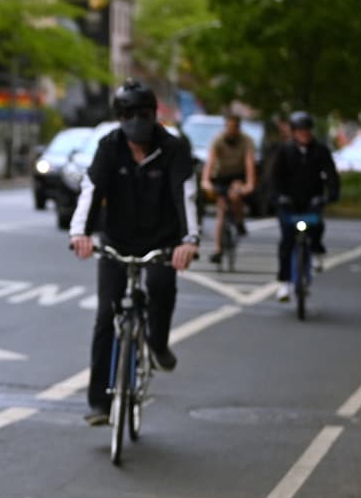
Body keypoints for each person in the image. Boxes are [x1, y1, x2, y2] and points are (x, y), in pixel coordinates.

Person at [69, 79, 199, 427]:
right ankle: (99, 403)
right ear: (119, 116)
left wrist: (189, 240)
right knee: (105, 315)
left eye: (143, 113)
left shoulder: (173, 148)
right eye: (128, 114)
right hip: (117, 240)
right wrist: (80, 232)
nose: (136, 120)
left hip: (162, 240)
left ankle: (157, 343)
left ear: (154, 115)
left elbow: (185, 193)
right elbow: (90, 189)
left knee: (161, 287)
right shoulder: (109, 146)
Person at [270, 111, 340, 301]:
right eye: (300, 131)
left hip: (311, 200)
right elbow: (274, 178)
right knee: (286, 241)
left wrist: (330, 195)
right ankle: (284, 283)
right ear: (293, 132)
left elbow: (331, 175)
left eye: (307, 130)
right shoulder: (284, 151)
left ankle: (317, 250)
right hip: (289, 203)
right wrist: (277, 197)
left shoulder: (320, 151)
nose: (304, 134)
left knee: (316, 225)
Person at [200, 114, 256, 264]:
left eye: (234, 127)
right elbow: (210, 162)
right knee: (221, 210)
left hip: (237, 176)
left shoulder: (246, 141)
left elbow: (249, 163)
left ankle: (239, 221)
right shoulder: (218, 140)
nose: (231, 130)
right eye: (229, 127)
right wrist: (206, 181)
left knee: (235, 195)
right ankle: (218, 249)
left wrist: (250, 184)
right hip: (221, 176)